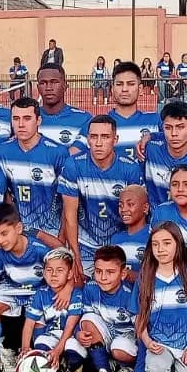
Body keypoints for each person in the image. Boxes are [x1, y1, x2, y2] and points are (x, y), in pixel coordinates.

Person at [124, 222, 187, 372]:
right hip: (159, 345)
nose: (161, 249)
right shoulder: (145, 276)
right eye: (155, 244)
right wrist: (146, 340)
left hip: (186, 344)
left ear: (178, 244)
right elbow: (138, 316)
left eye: (167, 243)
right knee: (157, 368)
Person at [0, 203, 49, 372]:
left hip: (37, 290)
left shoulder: (39, 249)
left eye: (4, 233)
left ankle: (42, 359)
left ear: (19, 228)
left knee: (40, 323)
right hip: (12, 288)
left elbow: (55, 275)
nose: (1, 240)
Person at [59, 116, 141, 276]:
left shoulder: (130, 168)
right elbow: (69, 214)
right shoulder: (73, 164)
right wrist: (75, 257)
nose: (98, 143)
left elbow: (137, 215)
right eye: (94, 137)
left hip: (120, 244)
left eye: (105, 137)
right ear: (87, 139)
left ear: (115, 139)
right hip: (85, 245)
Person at [0, 97, 70, 249]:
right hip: (19, 234)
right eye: (16, 119)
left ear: (39, 120)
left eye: (27, 118)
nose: (21, 124)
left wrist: (62, 237)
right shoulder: (1, 152)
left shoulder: (57, 152)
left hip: (51, 233)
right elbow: (5, 194)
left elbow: (69, 200)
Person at [76, 244, 139, 372]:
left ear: (123, 273)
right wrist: (78, 334)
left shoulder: (131, 294)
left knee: (119, 348)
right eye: (98, 271)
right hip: (107, 333)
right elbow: (82, 320)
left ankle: (129, 367)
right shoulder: (90, 288)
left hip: (127, 337)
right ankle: (104, 370)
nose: (103, 277)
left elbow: (141, 332)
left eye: (110, 272)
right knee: (87, 318)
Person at [21, 249, 87, 372]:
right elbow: (29, 323)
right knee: (40, 343)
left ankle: (74, 366)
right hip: (53, 335)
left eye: (60, 270)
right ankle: (58, 363)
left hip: (72, 336)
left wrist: (57, 350)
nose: (54, 274)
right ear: (44, 273)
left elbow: (70, 326)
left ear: (69, 274)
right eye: (49, 270)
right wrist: (25, 348)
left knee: (71, 347)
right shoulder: (41, 293)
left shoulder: (76, 293)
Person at [141, 101, 187, 208]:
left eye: (180, 127)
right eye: (168, 128)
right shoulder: (150, 150)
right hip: (156, 220)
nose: (174, 134)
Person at [106, 62, 157, 160]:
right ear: (112, 89)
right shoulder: (100, 124)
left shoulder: (155, 121)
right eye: (119, 84)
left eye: (131, 84)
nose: (124, 89)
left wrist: (152, 136)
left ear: (140, 89)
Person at [34, 64, 90, 150]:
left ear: (65, 86)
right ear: (38, 88)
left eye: (54, 82)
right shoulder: (29, 120)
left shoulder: (84, 119)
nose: (48, 88)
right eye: (43, 83)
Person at [109, 185, 151, 279]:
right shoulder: (116, 239)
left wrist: (134, 276)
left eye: (130, 204)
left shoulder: (153, 236)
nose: (123, 209)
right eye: (121, 205)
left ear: (145, 208)